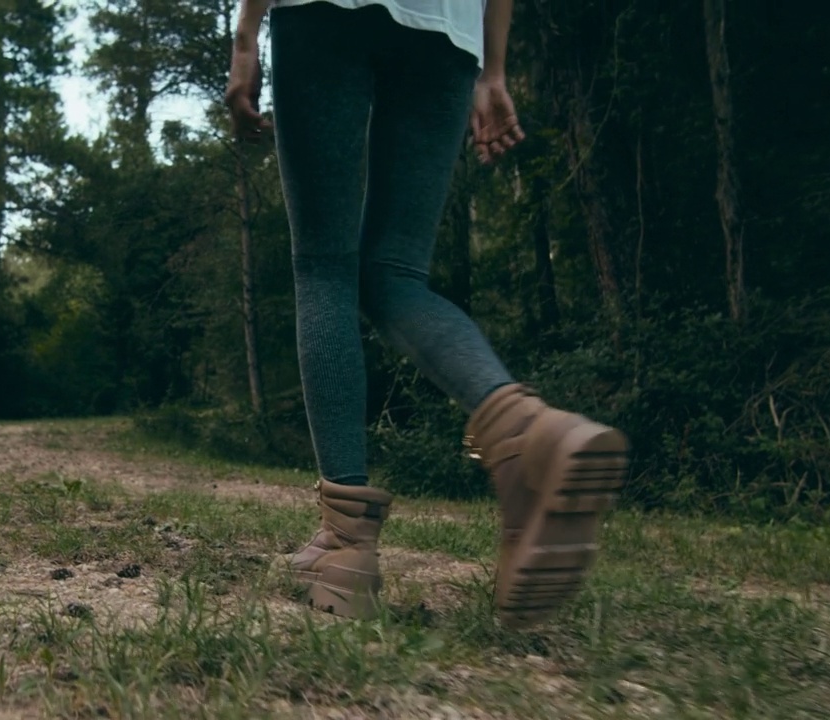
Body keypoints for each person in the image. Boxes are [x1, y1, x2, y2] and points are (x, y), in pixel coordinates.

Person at [225, 0, 630, 629]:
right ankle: (526, 429)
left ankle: (345, 546)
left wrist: (246, 33)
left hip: (326, 14)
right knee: (394, 273)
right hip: (449, 30)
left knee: (325, 266)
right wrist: (493, 70)